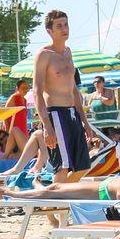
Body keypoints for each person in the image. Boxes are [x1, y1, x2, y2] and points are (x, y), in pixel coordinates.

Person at [34, 10, 98, 183]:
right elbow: (37, 91)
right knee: (62, 167)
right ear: (49, 31)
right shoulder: (44, 55)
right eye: (59, 26)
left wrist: (85, 122)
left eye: (66, 24)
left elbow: (74, 90)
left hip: (72, 113)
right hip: (55, 113)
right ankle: (53, 202)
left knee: (83, 166)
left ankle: (51, 200)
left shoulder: (68, 52)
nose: (64, 29)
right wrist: (47, 126)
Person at [0, 141, 120, 202]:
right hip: (107, 184)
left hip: (106, 192)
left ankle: (7, 194)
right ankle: (35, 187)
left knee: (55, 190)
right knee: (55, 188)